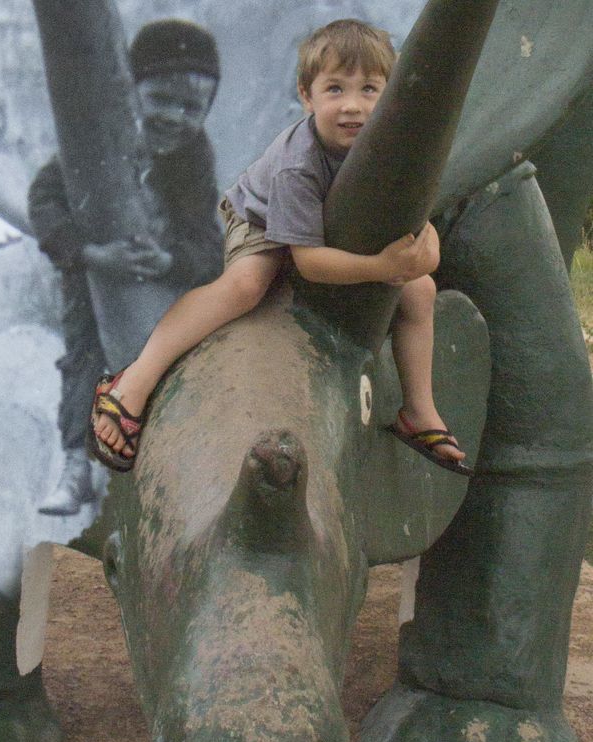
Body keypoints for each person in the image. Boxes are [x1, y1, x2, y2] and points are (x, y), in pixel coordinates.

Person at [91, 18, 470, 476]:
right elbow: (308, 264)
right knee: (247, 286)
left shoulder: (393, 149)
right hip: (263, 220)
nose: (353, 106)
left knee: (422, 292)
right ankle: (135, 379)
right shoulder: (297, 165)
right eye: (335, 90)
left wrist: (418, 260)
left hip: (333, 231)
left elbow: (422, 235)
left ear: (390, 98)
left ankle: (419, 410)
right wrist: (380, 265)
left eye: (370, 89)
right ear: (306, 96)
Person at [30, 20, 223, 514]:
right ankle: (75, 467)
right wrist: (92, 257)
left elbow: (208, 243)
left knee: (176, 367)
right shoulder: (99, 143)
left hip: (163, 287)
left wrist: (169, 260)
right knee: (84, 362)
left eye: (192, 107)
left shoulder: (194, 157)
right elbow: (45, 202)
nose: (176, 117)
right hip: (94, 278)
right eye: (161, 98)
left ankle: (173, 468)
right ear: (131, 92)